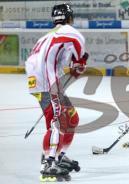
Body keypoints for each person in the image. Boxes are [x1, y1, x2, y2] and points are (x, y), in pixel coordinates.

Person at [25, 3, 88, 182]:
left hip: (39, 81)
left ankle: (59, 156)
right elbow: (78, 60)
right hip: (47, 81)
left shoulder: (46, 36)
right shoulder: (71, 32)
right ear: (70, 17)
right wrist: (81, 63)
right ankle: (48, 164)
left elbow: (39, 60)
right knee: (57, 122)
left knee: (72, 119)